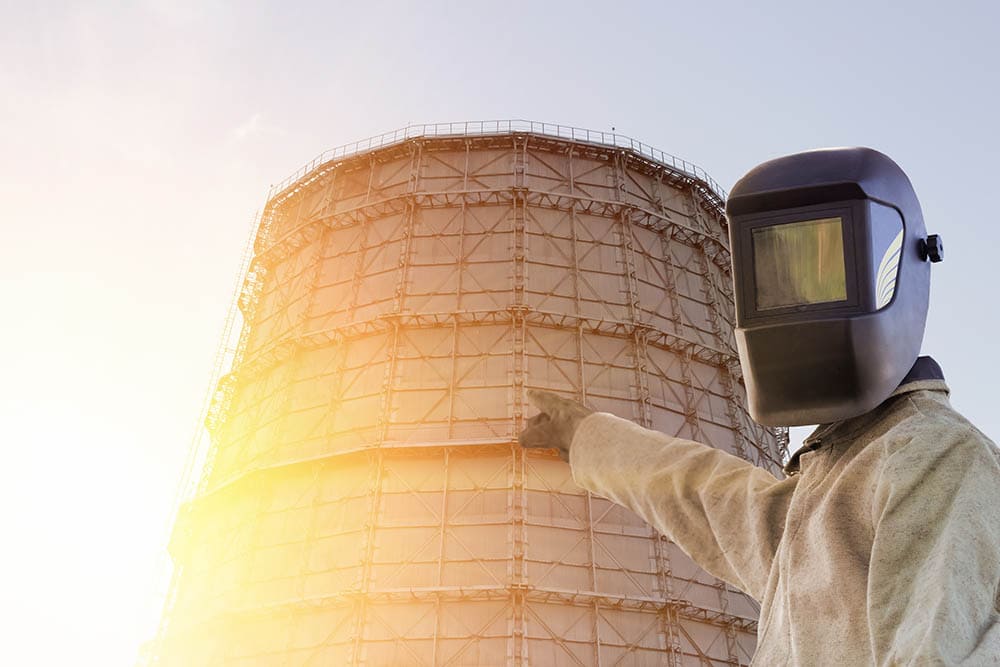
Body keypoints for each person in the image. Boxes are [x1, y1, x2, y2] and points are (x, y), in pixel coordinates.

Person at [520, 148, 1000, 665]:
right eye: (779, 281)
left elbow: (936, 650)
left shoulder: (932, 454)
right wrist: (584, 434)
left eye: (825, 273)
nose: (799, 305)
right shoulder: (821, 499)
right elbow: (701, 491)